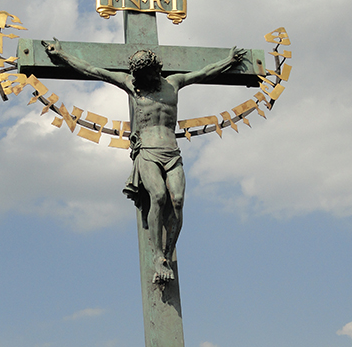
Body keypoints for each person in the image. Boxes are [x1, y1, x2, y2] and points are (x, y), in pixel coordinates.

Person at [44, 38, 244, 284]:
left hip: (171, 152)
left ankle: (167, 253)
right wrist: (62, 55)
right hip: (147, 151)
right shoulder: (132, 84)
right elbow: (94, 70)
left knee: (177, 201)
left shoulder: (174, 83)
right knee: (158, 196)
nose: (141, 81)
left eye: (146, 75)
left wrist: (228, 61)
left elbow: (203, 72)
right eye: (138, 76)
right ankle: (157, 256)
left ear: (155, 70)